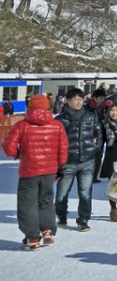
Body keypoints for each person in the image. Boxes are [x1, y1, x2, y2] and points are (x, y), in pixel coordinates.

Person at [3, 93, 68, 250]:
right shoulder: (56, 125)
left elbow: (8, 146)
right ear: (47, 107)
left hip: (29, 171)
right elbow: (63, 148)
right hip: (50, 171)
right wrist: (60, 167)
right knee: (45, 201)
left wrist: (19, 154)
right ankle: (47, 229)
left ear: (30, 107)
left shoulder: (22, 125)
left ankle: (32, 237)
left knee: (27, 204)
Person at [55, 87, 102, 231]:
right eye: (76, 100)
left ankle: (83, 219)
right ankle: (61, 215)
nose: (79, 102)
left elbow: (99, 133)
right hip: (67, 163)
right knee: (62, 194)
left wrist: (95, 149)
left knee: (85, 192)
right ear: (68, 101)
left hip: (87, 161)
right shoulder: (59, 120)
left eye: (81, 100)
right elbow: (54, 141)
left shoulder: (90, 116)